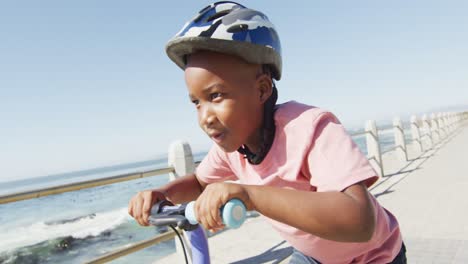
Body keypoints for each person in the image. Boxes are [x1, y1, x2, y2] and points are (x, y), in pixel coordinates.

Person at [128, 2, 406, 263]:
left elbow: (359, 221)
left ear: (262, 89)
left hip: (376, 257)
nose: (205, 117)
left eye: (216, 96)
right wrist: (162, 193)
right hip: (316, 257)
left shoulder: (309, 128)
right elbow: (200, 183)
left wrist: (249, 195)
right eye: (196, 102)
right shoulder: (233, 148)